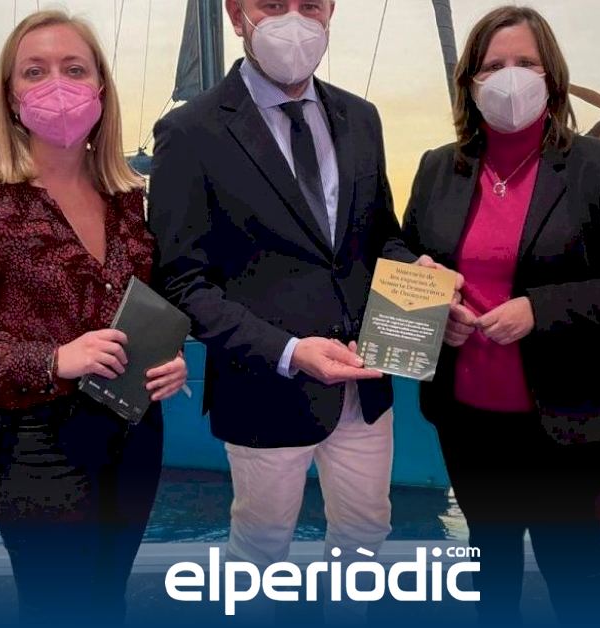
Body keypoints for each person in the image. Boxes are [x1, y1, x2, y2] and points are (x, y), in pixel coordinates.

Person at [148, 0, 453, 618]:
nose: (294, 19)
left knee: (366, 537)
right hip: (264, 384)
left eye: (309, 4)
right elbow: (183, 281)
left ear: (330, 11)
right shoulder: (190, 131)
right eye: (272, 4)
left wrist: (414, 269)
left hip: (365, 382)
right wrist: (288, 351)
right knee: (259, 551)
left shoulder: (361, 117)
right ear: (236, 13)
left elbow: (379, 237)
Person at [0, 10, 187, 625]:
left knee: (108, 605)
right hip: (39, 444)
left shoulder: (129, 200)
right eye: (34, 72)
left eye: (74, 68)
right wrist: (54, 358)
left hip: (136, 435)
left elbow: (153, 306)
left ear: (100, 88)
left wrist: (171, 362)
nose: (56, 84)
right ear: (10, 97)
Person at [400, 6, 600, 625]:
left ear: (552, 76)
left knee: (577, 577)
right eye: (493, 66)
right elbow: (404, 255)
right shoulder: (438, 167)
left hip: (572, 417)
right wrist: (433, 300)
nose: (509, 77)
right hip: (467, 417)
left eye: (524, 62)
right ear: (470, 81)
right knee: (490, 569)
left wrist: (537, 309)